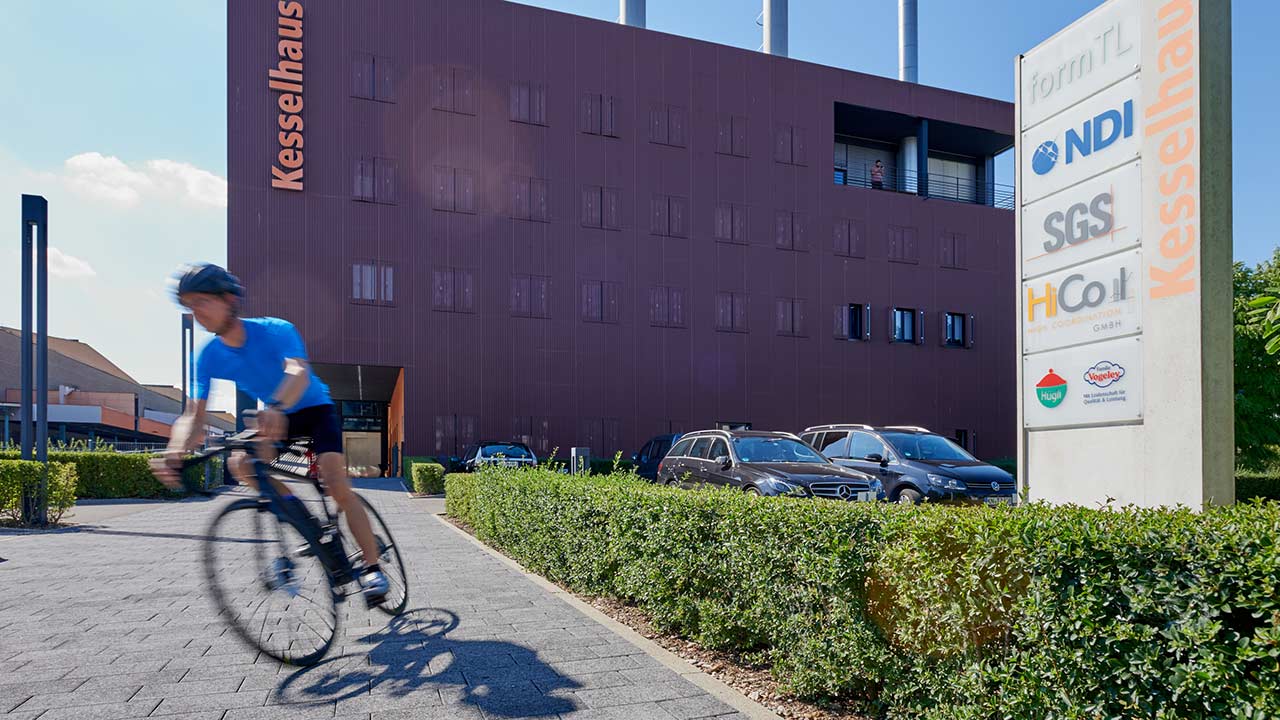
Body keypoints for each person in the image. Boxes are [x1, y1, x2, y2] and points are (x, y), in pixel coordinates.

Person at [150, 263, 389, 602]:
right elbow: (193, 415)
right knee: (242, 465)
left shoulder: (276, 330)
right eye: (190, 306)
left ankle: (372, 567)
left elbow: (298, 372)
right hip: (276, 418)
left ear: (228, 299)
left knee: (336, 484)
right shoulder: (208, 355)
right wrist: (174, 451)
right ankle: (306, 522)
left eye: (202, 301)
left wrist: (275, 405)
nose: (196, 312)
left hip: (312, 410)